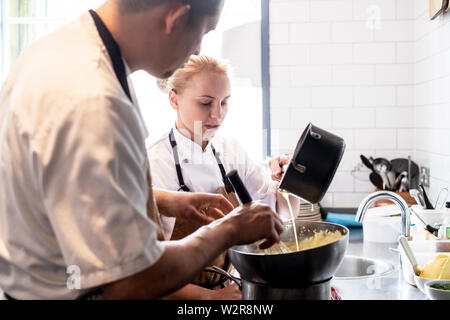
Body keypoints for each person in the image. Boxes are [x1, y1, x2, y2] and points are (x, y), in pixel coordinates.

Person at [0, 0, 283, 300]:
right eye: (203, 33)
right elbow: (130, 281)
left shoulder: (57, 51)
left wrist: (162, 200)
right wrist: (227, 230)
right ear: (175, 18)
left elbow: (67, 186)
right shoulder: (96, 101)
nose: (199, 50)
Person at [148, 55, 316, 300]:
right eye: (205, 103)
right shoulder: (153, 161)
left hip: (228, 290)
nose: (217, 115)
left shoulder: (229, 150)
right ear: (174, 99)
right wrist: (210, 298)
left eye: (224, 102)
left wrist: (287, 181)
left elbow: (283, 212)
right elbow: (144, 272)